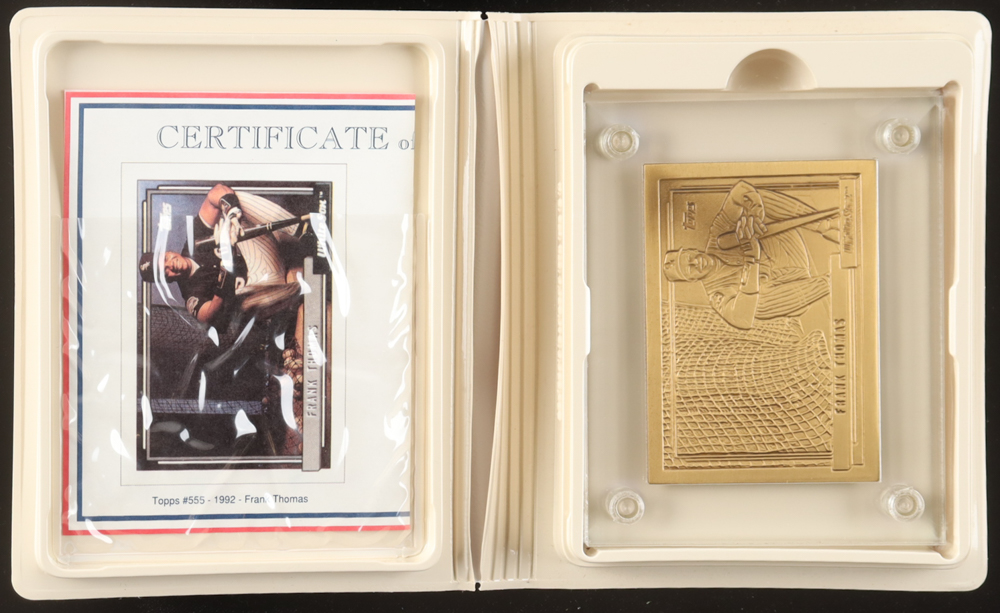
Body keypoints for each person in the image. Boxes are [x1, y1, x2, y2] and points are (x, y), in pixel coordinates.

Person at [662, 180, 834, 330]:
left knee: (754, 199)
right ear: (692, 280)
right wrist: (752, 260)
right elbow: (742, 321)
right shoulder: (717, 294)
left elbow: (739, 190)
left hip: (788, 256)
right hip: (788, 292)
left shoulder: (717, 237)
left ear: (692, 250)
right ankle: (832, 280)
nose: (696, 263)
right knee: (756, 306)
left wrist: (755, 210)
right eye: (690, 269)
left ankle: (827, 225)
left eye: (689, 258)